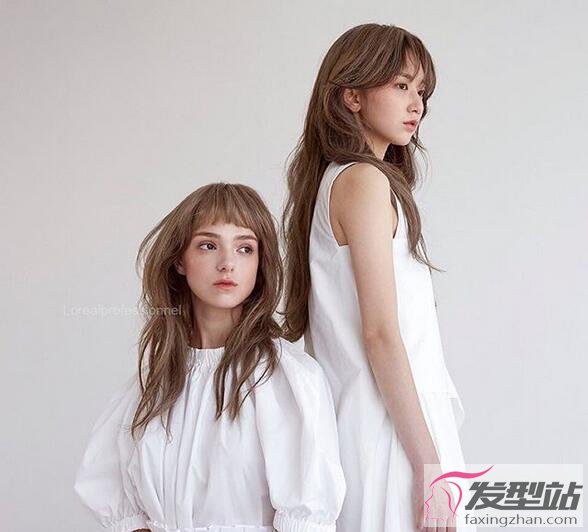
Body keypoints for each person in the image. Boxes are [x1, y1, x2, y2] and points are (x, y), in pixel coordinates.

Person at [281, 24, 475, 532]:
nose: (417, 105)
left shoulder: (339, 182)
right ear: (352, 96)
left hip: (380, 427)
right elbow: (381, 334)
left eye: (422, 91)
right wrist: (430, 466)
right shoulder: (362, 181)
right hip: (391, 436)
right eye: (401, 85)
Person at [74, 183, 346, 532]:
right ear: (179, 261)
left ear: (260, 264)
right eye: (208, 245)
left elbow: (307, 519)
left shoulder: (286, 380)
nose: (227, 263)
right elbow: (120, 505)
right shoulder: (153, 383)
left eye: (245, 248)